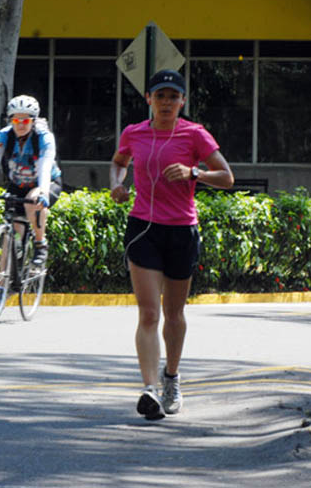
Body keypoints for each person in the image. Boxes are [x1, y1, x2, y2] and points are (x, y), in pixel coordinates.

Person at [109, 69, 234, 420]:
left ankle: (171, 378)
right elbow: (119, 163)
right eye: (159, 96)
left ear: (182, 101)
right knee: (148, 313)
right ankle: (149, 389)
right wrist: (117, 185)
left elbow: (227, 177)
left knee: (174, 313)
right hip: (143, 229)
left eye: (172, 96)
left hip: (181, 230)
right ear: (148, 99)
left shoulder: (195, 135)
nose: (166, 102)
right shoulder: (134, 133)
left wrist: (195, 172)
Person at [0, 94, 62, 270]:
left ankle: (40, 244)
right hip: (18, 184)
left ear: (33, 121)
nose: (20, 124)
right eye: (15, 120)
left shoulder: (44, 137)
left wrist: (43, 192)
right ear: (10, 120)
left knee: (32, 202)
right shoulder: (3, 136)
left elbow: (44, 166)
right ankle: (2, 287)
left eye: (25, 121)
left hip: (45, 182)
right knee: (9, 238)